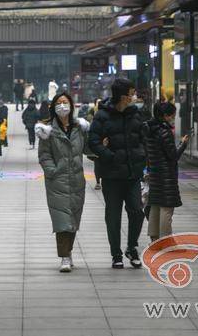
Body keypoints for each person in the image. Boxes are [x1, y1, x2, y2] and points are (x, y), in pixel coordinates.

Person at [88, 78, 148, 269]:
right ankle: (116, 254)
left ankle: (132, 247)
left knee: (137, 212)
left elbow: (143, 139)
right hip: (111, 175)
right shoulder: (102, 115)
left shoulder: (135, 114)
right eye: (131, 93)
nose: (134, 96)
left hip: (132, 174)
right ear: (123, 96)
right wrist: (109, 156)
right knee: (113, 216)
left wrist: (142, 157)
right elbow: (93, 141)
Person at [35, 92, 90, 272]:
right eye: (58, 103)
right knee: (62, 219)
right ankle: (64, 256)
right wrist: (52, 171)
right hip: (57, 181)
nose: (62, 105)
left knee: (73, 218)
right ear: (53, 107)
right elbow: (44, 155)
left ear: (71, 105)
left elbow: (87, 148)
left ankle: (69, 251)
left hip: (76, 180)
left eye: (65, 102)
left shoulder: (79, 127)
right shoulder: (47, 130)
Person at [145, 102, 189, 242]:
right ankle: (166, 241)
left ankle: (154, 238)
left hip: (154, 173)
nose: (173, 118)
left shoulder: (149, 129)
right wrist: (183, 144)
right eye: (172, 116)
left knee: (155, 205)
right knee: (166, 208)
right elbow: (173, 156)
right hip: (166, 176)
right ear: (165, 115)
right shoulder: (165, 131)